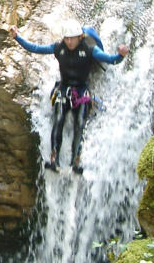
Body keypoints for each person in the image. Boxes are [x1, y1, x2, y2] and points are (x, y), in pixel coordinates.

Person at [9, 20, 129, 173]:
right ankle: (54, 158)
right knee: (58, 118)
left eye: (72, 38)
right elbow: (35, 48)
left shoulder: (90, 49)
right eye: (67, 38)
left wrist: (121, 55)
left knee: (79, 122)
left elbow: (111, 60)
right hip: (64, 88)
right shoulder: (58, 48)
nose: (69, 41)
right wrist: (17, 37)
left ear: (80, 37)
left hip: (81, 90)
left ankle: (76, 161)